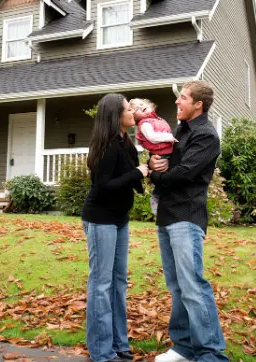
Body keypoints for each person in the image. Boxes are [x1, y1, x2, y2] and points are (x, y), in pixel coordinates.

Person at [148, 81, 229, 362]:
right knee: (176, 286)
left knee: (193, 285)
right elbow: (162, 161)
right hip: (167, 215)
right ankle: (183, 346)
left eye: (183, 98)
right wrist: (154, 164)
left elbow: (183, 173)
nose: (177, 102)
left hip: (187, 216)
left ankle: (211, 353)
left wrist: (156, 175)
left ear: (198, 105)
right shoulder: (179, 132)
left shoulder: (206, 136)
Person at [81, 93, 149, 362]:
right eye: (127, 109)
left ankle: (119, 343)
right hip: (101, 219)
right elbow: (105, 186)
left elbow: (131, 176)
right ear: (116, 116)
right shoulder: (107, 146)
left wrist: (150, 169)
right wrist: (139, 173)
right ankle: (101, 351)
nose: (132, 111)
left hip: (120, 218)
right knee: (101, 284)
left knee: (119, 283)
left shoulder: (125, 142)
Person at [129, 98, 177, 215]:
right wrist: (169, 138)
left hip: (166, 150)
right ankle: (156, 197)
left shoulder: (156, 119)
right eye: (137, 109)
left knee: (167, 175)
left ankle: (161, 197)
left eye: (142, 104)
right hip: (161, 153)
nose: (140, 107)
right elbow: (152, 137)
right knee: (164, 176)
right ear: (135, 117)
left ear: (149, 104)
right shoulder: (145, 124)